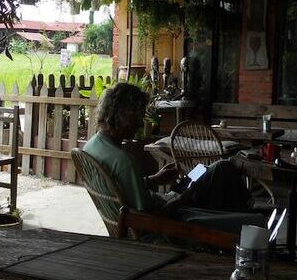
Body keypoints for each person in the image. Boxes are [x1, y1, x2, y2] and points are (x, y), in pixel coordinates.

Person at [82, 82, 252, 216]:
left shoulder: (93, 145)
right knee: (224, 170)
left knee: (212, 171)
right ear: (125, 116)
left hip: (161, 201)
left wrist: (155, 179)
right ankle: (243, 223)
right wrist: (182, 199)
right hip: (167, 220)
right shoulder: (123, 161)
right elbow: (147, 219)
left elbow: (122, 189)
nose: (141, 123)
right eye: (139, 116)